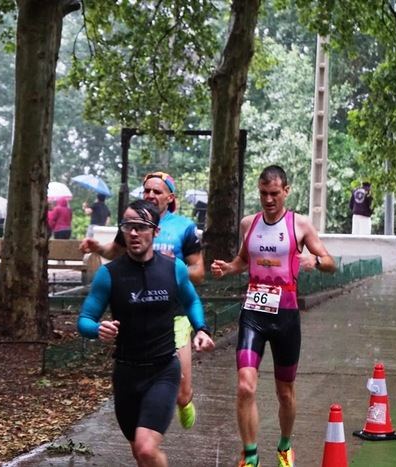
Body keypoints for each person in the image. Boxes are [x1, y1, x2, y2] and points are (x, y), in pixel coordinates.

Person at [210, 165, 337, 467]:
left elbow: (331, 262)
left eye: (274, 194)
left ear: (286, 192)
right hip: (253, 312)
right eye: (264, 193)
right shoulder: (248, 223)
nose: (268, 200)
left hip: (286, 317)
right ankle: (250, 453)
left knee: (285, 393)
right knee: (245, 385)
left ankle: (284, 445)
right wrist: (228, 267)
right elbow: (243, 259)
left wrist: (315, 261)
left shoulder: (299, 225)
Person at [78, 199, 215, 466]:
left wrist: (201, 328)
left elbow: (191, 301)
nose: (133, 233)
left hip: (163, 370)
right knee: (140, 454)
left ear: (155, 231)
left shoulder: (172, 268)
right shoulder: (109, 275)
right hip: (127, 374)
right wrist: (97, 329)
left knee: (146, 448)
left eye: (141, 227)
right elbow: (85, 319)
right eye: (128, 226)